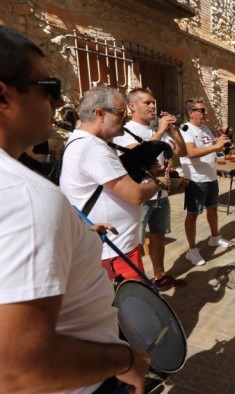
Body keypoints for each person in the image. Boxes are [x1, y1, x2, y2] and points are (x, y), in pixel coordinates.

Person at [0, 25, 149, 393]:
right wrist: (127, 361)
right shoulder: (26, 195)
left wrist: (79, 232)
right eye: (48, 88)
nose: (56, 102)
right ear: (3, 96)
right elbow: (19, 369)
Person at [61, 86, 170, 282]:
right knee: (134, 309)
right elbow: (135, 195)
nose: (125, 119)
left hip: (116, 248)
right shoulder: (92, 148)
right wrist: (160, 183)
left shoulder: (88, 143)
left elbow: (109, 183)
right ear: (100, 114)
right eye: (121, 113)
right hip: (114, 251)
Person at [112, 87, 187, 291]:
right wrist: (161, 130)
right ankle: (136, 284)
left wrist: (174, 131)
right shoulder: (125, 131)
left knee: (158, 235)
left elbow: (182, 151)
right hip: (139, 195)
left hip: (160, 193)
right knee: (133, 243)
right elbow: (138, 156)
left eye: (154, 102)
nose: (153, 106)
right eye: (147, 102)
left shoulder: (155, 131)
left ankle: (159, 276)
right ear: (132, 106)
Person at [181, 97, 233, 267]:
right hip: (196, 179)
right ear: (191, 113)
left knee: (213, 208)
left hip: (211, 176)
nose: (205, 113)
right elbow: (191, 152)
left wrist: (223, 143)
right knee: (193, 214)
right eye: (202, 110)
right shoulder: (186, 129)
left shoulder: (205, 128)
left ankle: (215, 238)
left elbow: (215, 149)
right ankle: (192, 250)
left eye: (205, 110)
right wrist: (215, 147)